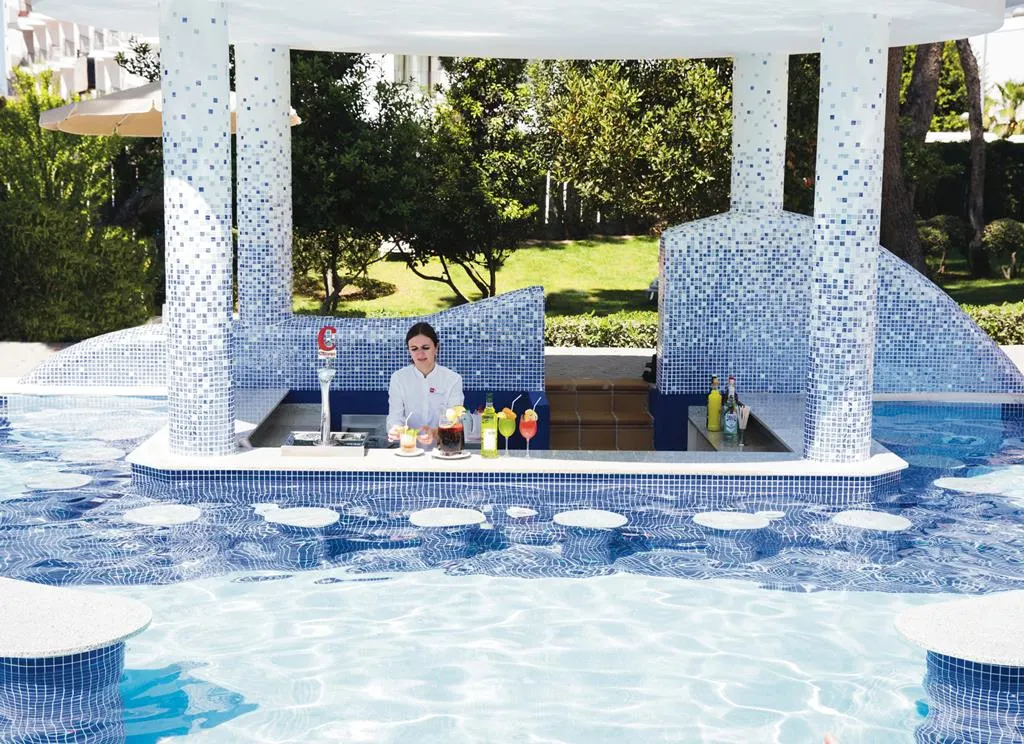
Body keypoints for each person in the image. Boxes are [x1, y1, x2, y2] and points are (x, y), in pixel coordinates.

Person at [386, 322, 463, 444]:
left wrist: (434, 432)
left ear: (436, 348)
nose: (420, 354)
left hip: (443, 447)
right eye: (414, 349)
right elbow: (395, 416)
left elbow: (455, 420)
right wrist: (395, 429)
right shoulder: (398, 378)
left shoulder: (453, 379)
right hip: (408, 448)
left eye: (426, 348)